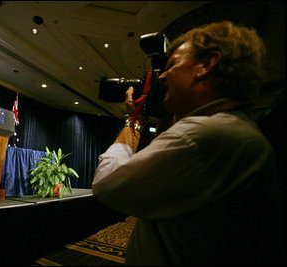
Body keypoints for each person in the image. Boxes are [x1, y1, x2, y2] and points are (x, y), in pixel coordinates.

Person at [92, 21, 282, 265]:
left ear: (206, 64)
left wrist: (131, 124)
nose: (162, 76)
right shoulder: (231, 126)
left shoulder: (203, 134)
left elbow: (108, 185)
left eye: (172, 65)